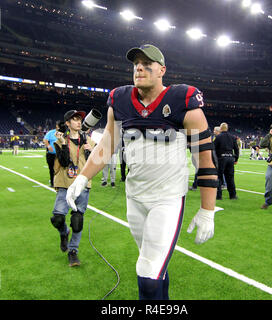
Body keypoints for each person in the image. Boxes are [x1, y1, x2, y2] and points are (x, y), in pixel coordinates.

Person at [65, 44, 218, 300]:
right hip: (134, 198)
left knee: (147, 272)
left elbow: (204, 158)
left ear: (162, 70)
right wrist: (83, 177)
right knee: (155, 266)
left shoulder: (183, 98)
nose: (139, 67)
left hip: (167, 199)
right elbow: (107, 146)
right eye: (136, 63)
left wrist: (207, 210)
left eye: (148, 64)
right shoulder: (120, 99)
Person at [50, 110, 95, 267]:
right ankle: (64, 232)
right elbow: (62, 162)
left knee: (77, 220)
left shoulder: (88, 140)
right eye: (74, 119)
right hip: (65, 184)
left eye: (79, 119)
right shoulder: (61, 140)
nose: (78, 122)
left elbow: (94, 163)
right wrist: (62, 144)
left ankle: (73, 252)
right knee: (58, 218)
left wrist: (90, 150)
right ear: (67, 123)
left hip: (82, 184)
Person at [213, 122, 239, 200]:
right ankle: (233, 195)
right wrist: (236, 159)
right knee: (230, 178)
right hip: (230, 158)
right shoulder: (232, 137)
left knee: (219, 177)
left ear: (220, 129)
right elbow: (236, 149)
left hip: (221, 159)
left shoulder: (218, 137)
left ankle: (219, 195)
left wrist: (214, 159)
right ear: (227, 128)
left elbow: (213, 149)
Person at [44, 121, 62, 187]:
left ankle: (60, 182)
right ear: (56, 125)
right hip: (51, 154)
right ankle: (53, 183)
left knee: (60, 169)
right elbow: (45, 140)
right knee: (51, 169)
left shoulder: (64, 132)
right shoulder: (51, 132)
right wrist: (49, 146)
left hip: (60, 154)